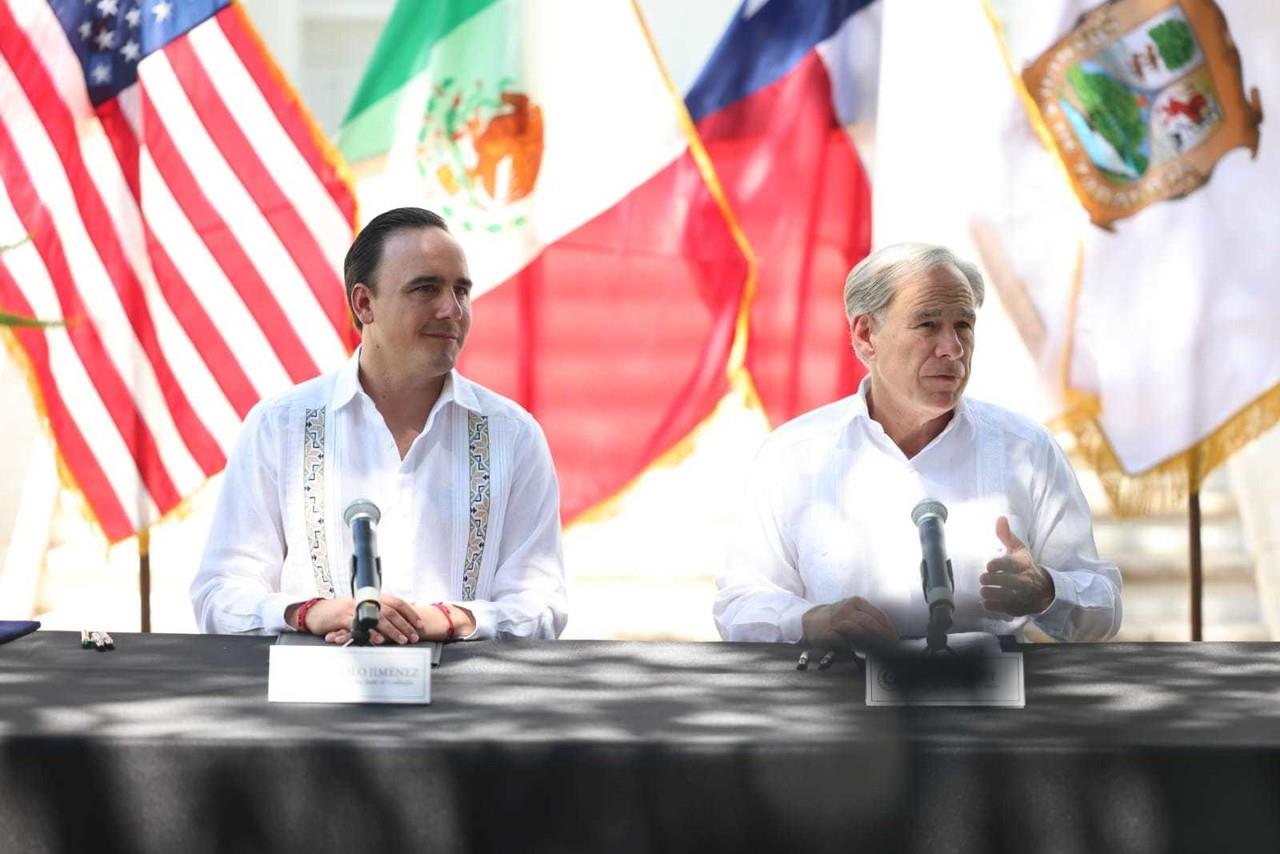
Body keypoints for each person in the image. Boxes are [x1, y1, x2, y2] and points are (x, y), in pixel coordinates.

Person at [191, 207, 567, 643]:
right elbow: (218, 596)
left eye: (461, 290)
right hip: (315, 702)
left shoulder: (513, 435)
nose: (452, 309)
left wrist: (448, 619)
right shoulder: (280, 427)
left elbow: (542, 604)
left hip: (467, 705)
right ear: (364, 304)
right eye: (426, 288)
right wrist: (310, 613)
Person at [714, 243, 1121, 645]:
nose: (953, 348)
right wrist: (810, 620)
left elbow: (1104, 607)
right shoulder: (795, 454)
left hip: (991, 696)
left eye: (963, 325)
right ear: (866, 335)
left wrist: (1048, 591)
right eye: (927, 325)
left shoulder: (1026, 450)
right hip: (840, 696)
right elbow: (740, 604)